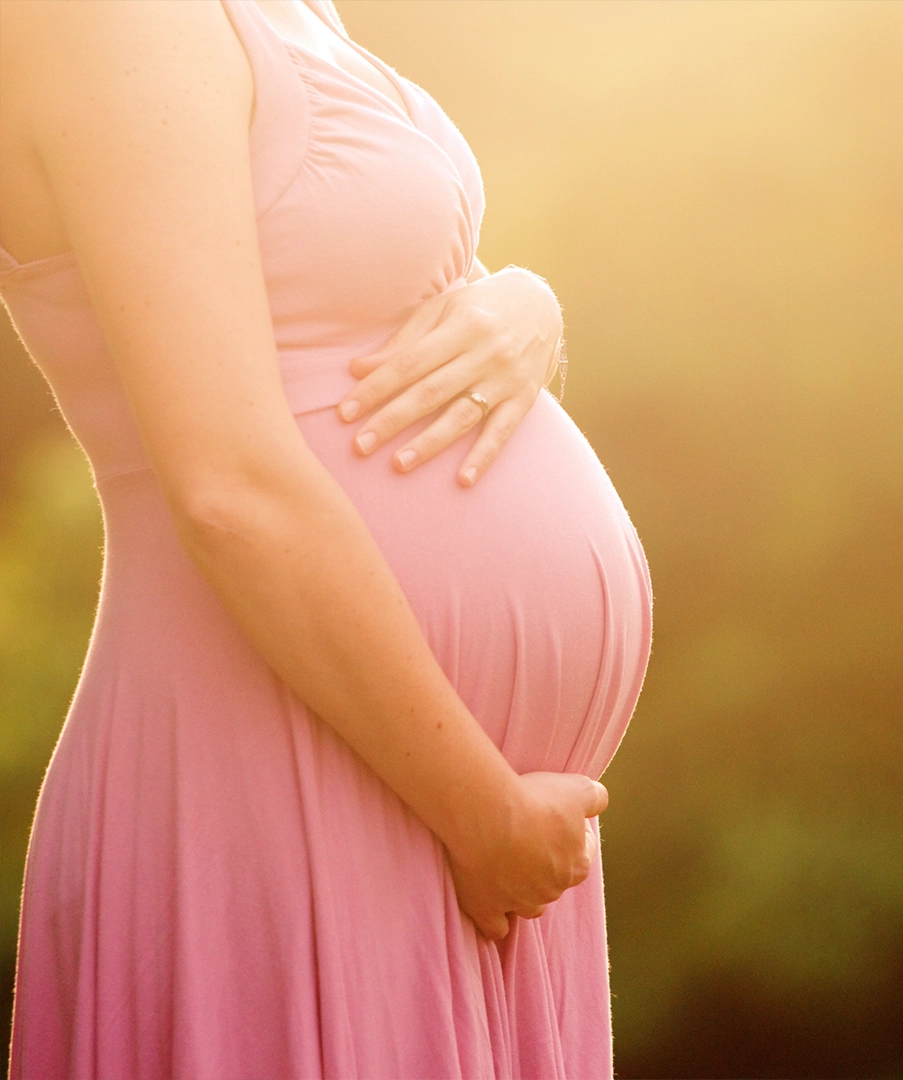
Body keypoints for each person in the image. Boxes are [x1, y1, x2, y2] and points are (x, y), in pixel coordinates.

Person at [0, 1, 651, 1076]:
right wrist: (482, 813)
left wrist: (524, 307)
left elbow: (372, 297)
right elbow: (227, 486)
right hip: (292, 777)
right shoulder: (109, 20)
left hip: (451, 814)